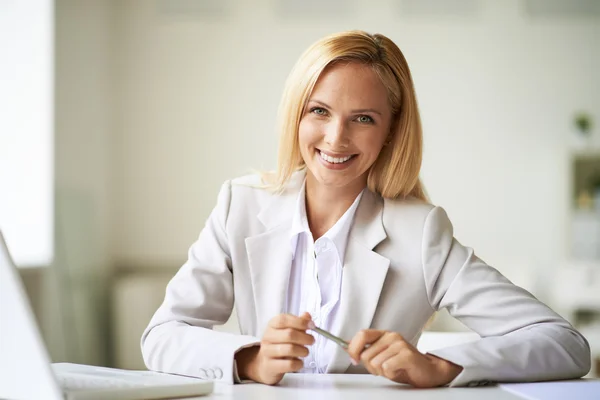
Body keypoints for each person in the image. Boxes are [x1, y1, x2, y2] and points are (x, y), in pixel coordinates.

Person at [141, 30, 590, 388]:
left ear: (392, 132)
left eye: (363, 118)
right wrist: (250, 359)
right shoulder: (240, 205)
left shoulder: (420, 232)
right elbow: (161, 338)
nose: (336, 138)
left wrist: (441, 366)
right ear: (296, 116)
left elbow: (565, 344)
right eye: (319, 111)